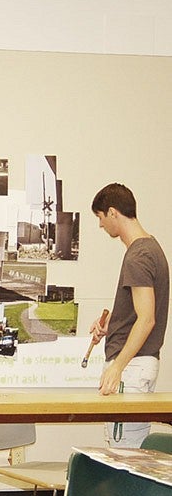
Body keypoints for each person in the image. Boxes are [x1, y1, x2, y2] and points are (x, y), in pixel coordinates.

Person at [90, 183, 169, 447]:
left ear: (112, 212)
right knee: (125, 452)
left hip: (132, 368)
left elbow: (147, 319)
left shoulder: (138, 255)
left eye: (100, 218)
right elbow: (140, 311)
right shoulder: (150, 249)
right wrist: (111, 324)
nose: (101, 226)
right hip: (137, 365)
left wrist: (118, 366)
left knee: (124, 458)